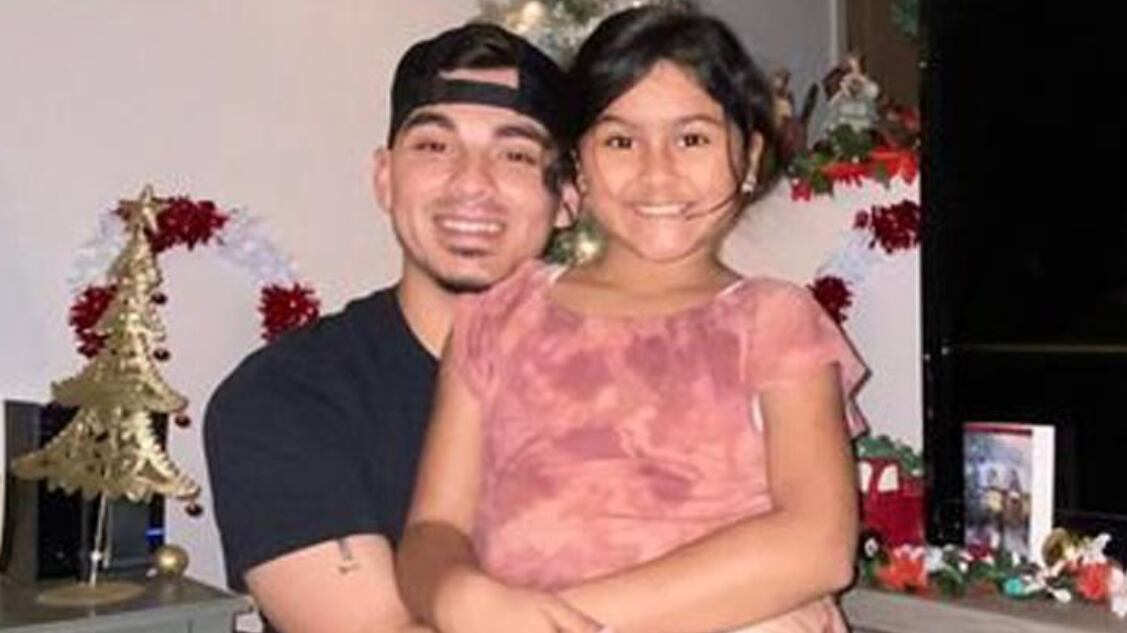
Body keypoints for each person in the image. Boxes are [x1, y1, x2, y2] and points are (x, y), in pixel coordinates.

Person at [396, 7, 867, 633]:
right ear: (577, 164)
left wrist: (557, 623)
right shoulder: (495, 320)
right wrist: (458, 595)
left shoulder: (774, 320)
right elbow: (434, 528)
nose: (657, 171)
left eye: (692, 138)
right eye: (620, 141)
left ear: (750, 157)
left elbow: (818, 546)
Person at [203, 22, 576, 633]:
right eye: (434, 146)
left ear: (568, 199)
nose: (472, 182)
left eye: (515, 154)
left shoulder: (628, 382)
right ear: (385, 177)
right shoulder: (284, 397)